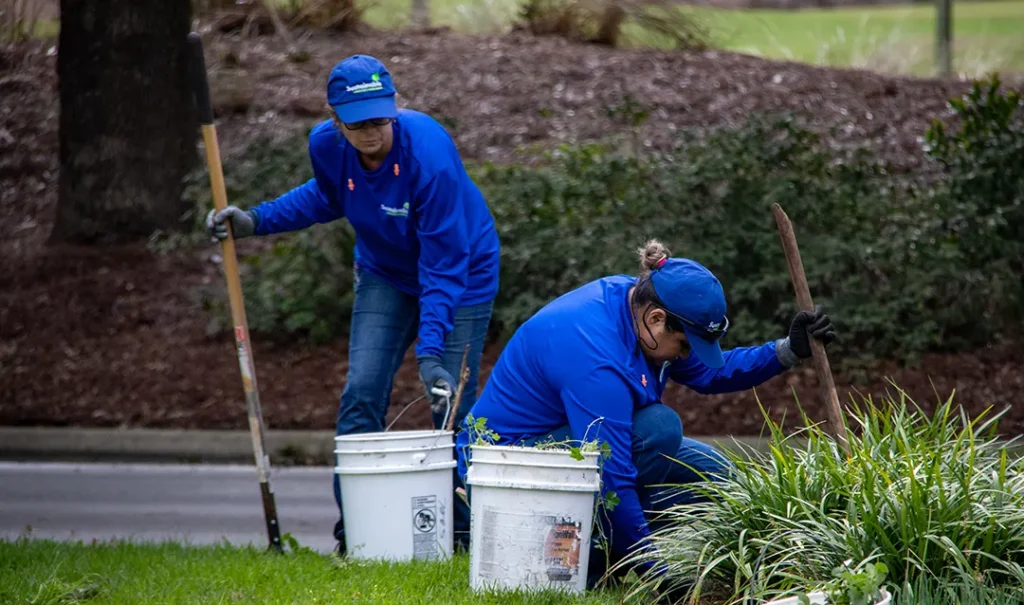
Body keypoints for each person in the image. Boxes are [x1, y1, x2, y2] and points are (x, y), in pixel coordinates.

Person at [206, 54, 500, 553]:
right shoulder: (326, 146)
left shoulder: (429, 155)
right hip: (385, 274)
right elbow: (327, 197)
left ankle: (464, 535)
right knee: (362, 391)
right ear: (335, 117)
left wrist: (429, 353)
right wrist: (256, 220)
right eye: (358, 121)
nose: (372, 131)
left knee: (451, 404)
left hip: (462, 276)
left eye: (381, 117)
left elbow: (444, 263)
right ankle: (358, 531)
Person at [454, 239, 835, 587]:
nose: (685, 356)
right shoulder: (595, 357)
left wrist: (786, 350)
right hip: (505, 467)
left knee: (724, 478)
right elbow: (611, 475)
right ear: (656, 320)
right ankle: (600, 553)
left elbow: (708, 371)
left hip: (566, 444)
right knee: (659, 428)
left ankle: (630, 540)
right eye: (684, 345)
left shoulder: (639, 305)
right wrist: (657, 573)